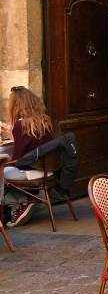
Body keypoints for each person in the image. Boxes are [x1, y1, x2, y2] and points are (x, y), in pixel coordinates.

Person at [2, 86, 55, 226]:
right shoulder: (44, 120)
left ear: (16, 104)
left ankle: (22, 201)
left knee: (1, 172)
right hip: (49, 169)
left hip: (33, 171)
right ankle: (28, 199)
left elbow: (19, 160)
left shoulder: (21, 125)